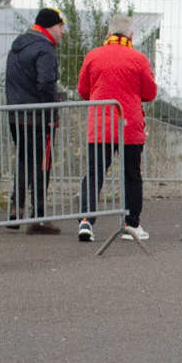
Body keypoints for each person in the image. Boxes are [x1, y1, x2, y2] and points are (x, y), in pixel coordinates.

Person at [74, 19, 158, 241]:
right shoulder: (139, 59)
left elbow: (83, 90)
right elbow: (150, 93)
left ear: (108, 32)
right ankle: (131, 225)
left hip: (100, 126)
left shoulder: (93, 56)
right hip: (128, 126)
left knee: (94, 175)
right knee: (132, 175)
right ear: (131, 34)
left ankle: (85, 221)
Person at [3, 7, 65, 232]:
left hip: (15, 115)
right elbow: (46, 83)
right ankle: (38, 216)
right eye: (60, 26)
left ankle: (15, 209)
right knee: (41, 163)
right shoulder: (45, 49)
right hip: (39, 118)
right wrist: (53, 113)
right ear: (51, 26)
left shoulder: (18, 44)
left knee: (23, 159)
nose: (62, 32)